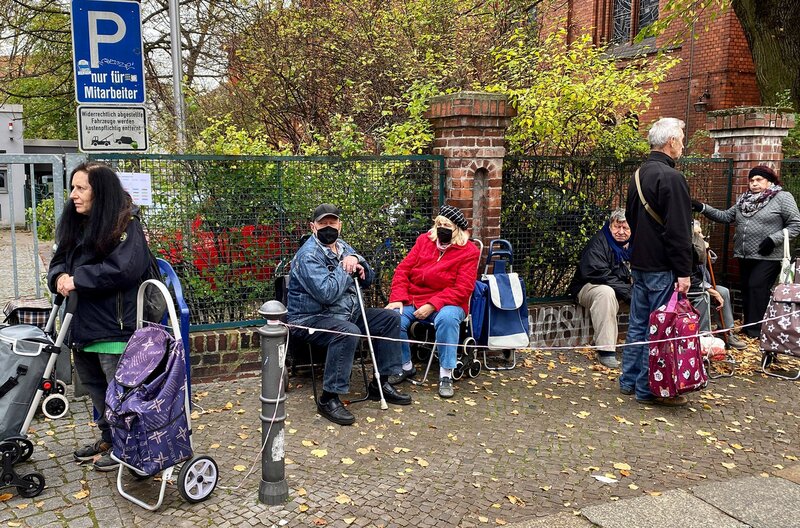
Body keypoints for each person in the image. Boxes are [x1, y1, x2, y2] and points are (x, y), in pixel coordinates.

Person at [47, 162, 152, 471]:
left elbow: (124, 268)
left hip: (114, 326)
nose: (73, 195)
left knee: (118, 393)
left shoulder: (126, 225)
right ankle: (109, 439)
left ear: (100, 192)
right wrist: (59, 278)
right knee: (95, 389)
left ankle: (128, 448)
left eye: (81, 189)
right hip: (81, 324)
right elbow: (57, 261)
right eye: (72, 188)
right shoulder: (75, 224)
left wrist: (78, 278)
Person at [286, 203, 411, 425]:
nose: (328, 227)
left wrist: (360, 264)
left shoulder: (343, 246)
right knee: (347, 332)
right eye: (323, 223)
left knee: (390, 318)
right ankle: (328, 398)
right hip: (310, 318)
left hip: (347, 313)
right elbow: (326, 293)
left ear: (340, 225)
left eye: (332, 223)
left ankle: (380, 383)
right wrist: (347, 268)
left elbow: (368, 279)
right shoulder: (307, 255)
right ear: (313, 227)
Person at [621, 117, 693, 407]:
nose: (683, 146)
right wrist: (683, 271)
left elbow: (631, 219)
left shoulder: (638, 174)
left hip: (640, 262)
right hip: (663, 266)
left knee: (639, 325)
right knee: (660, 329)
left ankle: (628, 380)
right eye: (682, 140)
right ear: (671, 142)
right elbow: (678, 230)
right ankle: (647, 388)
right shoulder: (672, 178)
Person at [693, 165, 800, 338]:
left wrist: (773, 239)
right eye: (751, 180)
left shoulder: (782, 198)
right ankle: (749, 326)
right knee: (747, 290)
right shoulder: (744, 200)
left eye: (759, 180)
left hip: (769, 255)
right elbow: (726, 216)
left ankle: (758, 330)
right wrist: (702, 207)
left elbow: (796, 224)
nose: (754, 183)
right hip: (744, 254)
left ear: (769, 181)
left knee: (757, 287)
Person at [385, 204, 480, 398]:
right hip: (415, 297)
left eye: (447, 225)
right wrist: (397, 299)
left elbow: (463, 289)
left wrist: (433, 304)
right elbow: (403, 270)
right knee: (392, 318)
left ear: (457, 230)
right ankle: (405, 365)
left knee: (446, 319)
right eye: (439, 224)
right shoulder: (423, 241)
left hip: (450, 302)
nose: (442, 229)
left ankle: (446, 374)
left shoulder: (469, 251)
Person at [567, 208, 632, 369]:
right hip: (589, 286)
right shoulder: (598, 242)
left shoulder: (638, 244)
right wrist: (630, 293)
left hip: (623, 289)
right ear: (610, 226)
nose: (621, 232)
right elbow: (598, 274)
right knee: (605, 293)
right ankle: (606, 351)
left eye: (626, 228)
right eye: (617, 227)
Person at [688, 221, 747, 349]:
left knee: (723, 291)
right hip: (692, 288)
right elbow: (691, 279)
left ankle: (726, 332)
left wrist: (705, 252)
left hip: (703, 284)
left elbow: (709, 266)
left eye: (702, 233)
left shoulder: (699, 248)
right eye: (698, 234)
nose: (702, 236)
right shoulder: (688, 250)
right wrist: (710, 290)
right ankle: (703, 336)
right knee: (705, 296)